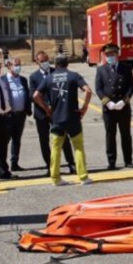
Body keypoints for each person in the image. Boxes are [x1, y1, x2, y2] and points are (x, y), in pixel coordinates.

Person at [33, 55, 93, 186]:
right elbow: (88, 91)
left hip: (56, 118)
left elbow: (36, 95)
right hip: (72, 117)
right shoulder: (74, 76)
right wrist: (84, 107)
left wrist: (46, 108)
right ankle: (83, 176)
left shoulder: (49, 78)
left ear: (55, 63)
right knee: (78, 147)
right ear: (67, 64)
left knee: (55, 148)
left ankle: (55, 178)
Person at [29, 51, 76, 176]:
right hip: (41, 113)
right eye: (42, 61)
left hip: (57, 112)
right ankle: (51, 166)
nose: (45, 62)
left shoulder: (56, 72)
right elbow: (33, 96)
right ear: (37, 62)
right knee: (44, 140)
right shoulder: (33, 77)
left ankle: (71, 163)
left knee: (63, 138)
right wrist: (45, 107)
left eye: (46, 60)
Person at [95, 44, 133, 170]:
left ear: (117, 54)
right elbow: (99, 89)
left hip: (123, 107)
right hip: (109, 109)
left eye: (112, 54)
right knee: (110, 135)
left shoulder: (126, 68)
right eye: (107, 55)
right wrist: (107, 102)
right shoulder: (101, 70)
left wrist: (124, 101)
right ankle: (111, 162)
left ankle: (128, 161)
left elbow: (131, 87)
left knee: (126, 135)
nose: (110, 57)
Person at [0, 57, 32, 172]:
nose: (18, 67)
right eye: (15, 64)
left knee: (16, 140)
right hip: (8, 116)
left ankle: (15, 163)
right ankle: (2, 166)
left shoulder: (23, 80)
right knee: (4, 141)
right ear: (9, 66)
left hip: (20, 115)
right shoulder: (2, 80)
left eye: (19, 64)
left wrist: (27, 109)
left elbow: (27, 94)